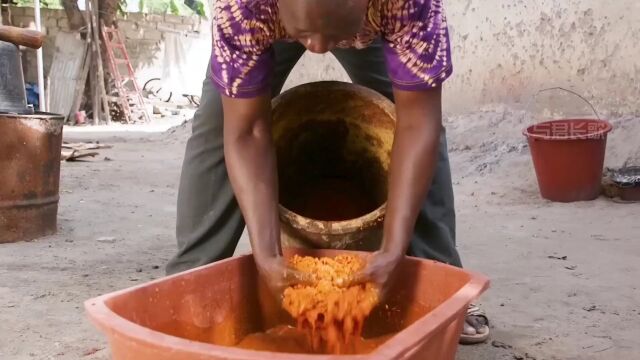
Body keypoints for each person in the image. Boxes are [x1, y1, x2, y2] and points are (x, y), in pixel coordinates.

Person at [166, 0, 489, 344]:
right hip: (272, 20)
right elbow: (249, 132)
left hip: (373, 23)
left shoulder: (410, 5)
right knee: (221, 124)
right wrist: (267, 254)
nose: (317, 48)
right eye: (304, 34)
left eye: (332, 35)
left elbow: (416, 125)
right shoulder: (242, 8)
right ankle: (187, 287)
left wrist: (393, 249)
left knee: (411, 112)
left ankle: (444, 289)